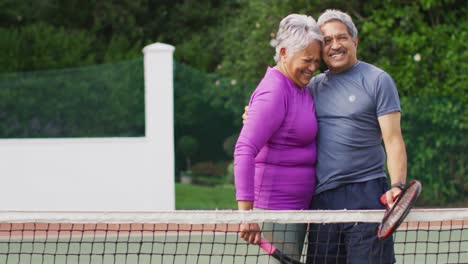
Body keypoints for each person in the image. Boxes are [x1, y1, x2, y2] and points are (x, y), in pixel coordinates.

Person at [242, 9, 407, 264]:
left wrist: (397, 185)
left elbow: (393, 140)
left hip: (366, 194)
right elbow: (279, 115)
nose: (335, 46)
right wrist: (251, 115)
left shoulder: (378, 80)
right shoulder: (311, 86)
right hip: (321, 201)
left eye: (341, 38)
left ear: (355, 41)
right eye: (327, 41)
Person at [233, 14, 323, 262]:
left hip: (298, 211)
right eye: (307, 60)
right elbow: (244, 149)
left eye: (316, 61)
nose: (313, 67)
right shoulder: (274, 91)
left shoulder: (300, 87)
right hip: (275, 210)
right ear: (284, 53)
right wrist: (247, 215)